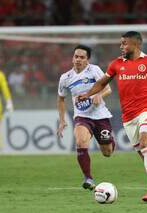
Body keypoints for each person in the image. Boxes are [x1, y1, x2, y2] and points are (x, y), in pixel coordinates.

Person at [78, 31, 147, 202]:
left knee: (146, 143)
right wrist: (88, 94)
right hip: (128, 116)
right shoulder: (116, 64)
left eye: (124, 43)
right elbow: (102, 82)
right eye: (120, 43)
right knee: (146, 155)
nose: (121, 46)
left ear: (136, 44)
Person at [56, 45, 116, 191]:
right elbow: (61, 99)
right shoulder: (65, 78)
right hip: (82, 117)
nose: (78, 60)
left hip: (100, 115)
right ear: (72, 58)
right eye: (76, 56)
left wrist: (99, 95)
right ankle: (88, 178)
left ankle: (110, 140)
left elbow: (108, 88)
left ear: (87, 60)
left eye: (82, 57)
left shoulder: (94, 70)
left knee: (107, 152)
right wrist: (62, 120)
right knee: (81, 142)